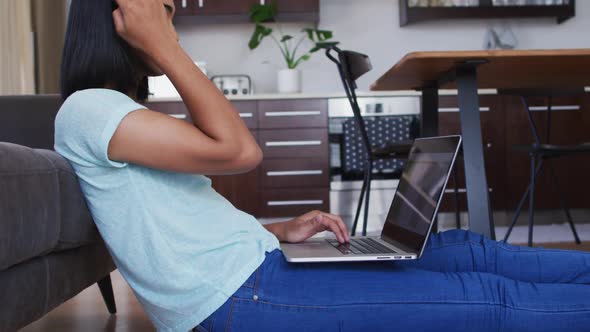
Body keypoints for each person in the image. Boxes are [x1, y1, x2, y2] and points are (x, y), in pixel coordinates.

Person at [54, 1, 590, 331]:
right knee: (487, 301)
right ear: (117, 16)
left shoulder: (115, 116)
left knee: (460, 249)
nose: (169, 12)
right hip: (244, 297)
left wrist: (276, 230)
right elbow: (241, 152)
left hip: (259, 269)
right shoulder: (88, 109)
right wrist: (166, 47)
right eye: (159, 7)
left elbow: (175, 225)